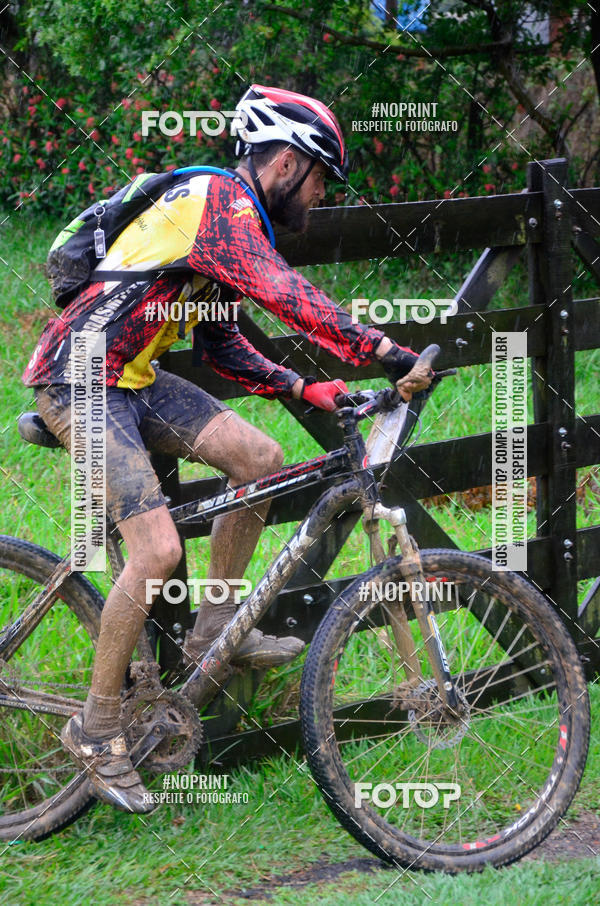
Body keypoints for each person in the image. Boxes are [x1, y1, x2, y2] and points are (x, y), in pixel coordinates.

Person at [22, 84, 432, 814]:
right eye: (319, 181)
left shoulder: (225, 224)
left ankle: (215, 629)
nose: (320, 199)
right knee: (154, 551)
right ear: (283, 163)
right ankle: (97, 727)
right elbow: (284, 292)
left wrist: (306, 391)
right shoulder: (219, 202)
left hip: (133, 381)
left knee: (261, 461)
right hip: (79, 376)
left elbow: (223, 343)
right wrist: (383, 352)